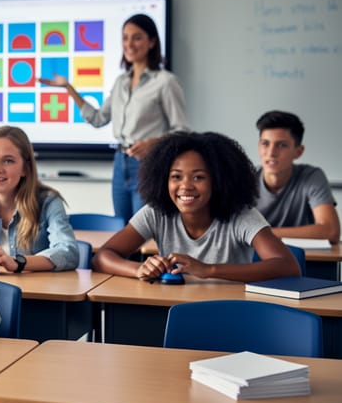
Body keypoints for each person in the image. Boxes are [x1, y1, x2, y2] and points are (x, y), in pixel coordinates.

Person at [92, 131, 300, 283]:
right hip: (172, 308)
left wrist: (208, 270)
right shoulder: (157, 212)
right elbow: (102, 257)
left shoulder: (241, 215)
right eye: (176, 177)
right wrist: (138, 269)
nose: (186, 186)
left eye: (199, 177)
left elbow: (287, 266)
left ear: (219, 181)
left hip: (232, 312)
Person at [39, 13, 189, 223]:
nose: (129, 44)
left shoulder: (165, 82)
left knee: (144, 229)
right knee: (121, 228)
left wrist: (152, 144)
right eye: (125, 38)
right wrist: (68, 88)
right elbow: (98, 118)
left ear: (152, 42)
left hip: (148, 164)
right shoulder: (120, 82)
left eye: (136, 37)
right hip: (120, 163)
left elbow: (182, 132)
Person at [0, 126, 78, 273]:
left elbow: (69, 252)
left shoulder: (48, 202)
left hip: (35, 293)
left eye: (8, 161)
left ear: (25, 168)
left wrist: (18, 262)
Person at [255, 110, 340, 243]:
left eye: (281, 145)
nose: (271, 153)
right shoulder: (245, 178)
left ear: (298, 152)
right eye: (265, 143)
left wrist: (261, 233)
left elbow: (330, 231)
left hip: (304, 260)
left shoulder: (312, 176)